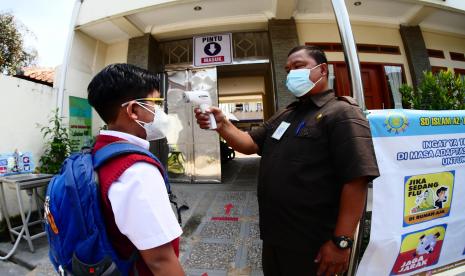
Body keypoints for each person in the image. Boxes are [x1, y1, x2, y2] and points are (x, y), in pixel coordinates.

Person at [194, 46, 379, 276]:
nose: (291, 73)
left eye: (298, 66)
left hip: (314, 242)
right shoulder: (287, 114)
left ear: (322, 70)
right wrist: (222, 124)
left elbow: (357, 179)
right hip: (276, 235)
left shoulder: (342, 112)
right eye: (288, 69)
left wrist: (341, 242)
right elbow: (249, 144)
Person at [87, 63, 184, 276]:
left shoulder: (97, 151)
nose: (160, 111)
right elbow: (160, 261)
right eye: (156, 103)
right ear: (133, 110)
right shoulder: (136, 171)